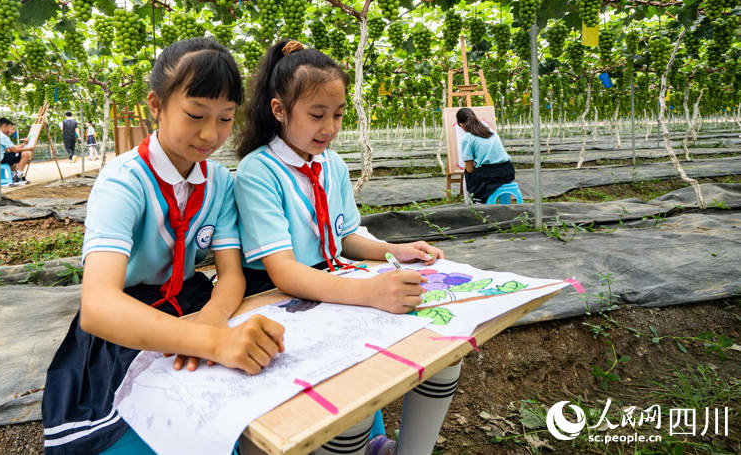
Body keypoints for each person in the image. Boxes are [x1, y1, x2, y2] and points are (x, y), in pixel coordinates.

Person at [41, 38, 285, 455]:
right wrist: (213, 343)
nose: (211, 134)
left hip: (193, 304)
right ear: (156, 105)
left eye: (226, 119)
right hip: (126, 322)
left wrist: (209, 321)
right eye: (195, 115)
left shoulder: (220, 183)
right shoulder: (124, 182)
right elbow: (99, 307)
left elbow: (230, 275)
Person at [234, 39, 460, 455]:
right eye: (317, 115)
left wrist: (395, 250)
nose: (330, 128)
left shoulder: (332, 165)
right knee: (347, 408)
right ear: (279, 110)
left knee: (445, 359)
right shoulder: (257, 172)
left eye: (337, 115)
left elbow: (345, 237)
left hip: (333, 287)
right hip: (279, 298)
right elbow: (282, 271)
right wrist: (370, 293)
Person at [456, 107, 515, 203]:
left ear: (461, 124)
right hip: (507, 171)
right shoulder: (491, 132)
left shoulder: (467, 138)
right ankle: (505, 203)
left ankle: (472, 205)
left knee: (467, 175)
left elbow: (470, 168)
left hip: (489, 176)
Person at [0, 117, 34, 185]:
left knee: (12, 155)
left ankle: (13, 175)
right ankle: (18, 176)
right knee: (26, 154)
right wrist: (29, 149)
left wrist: (23, 144)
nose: (10, 130)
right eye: (10, 127)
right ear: (4, 126)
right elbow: (15, 150)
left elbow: (12, 148)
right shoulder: (2, 136)